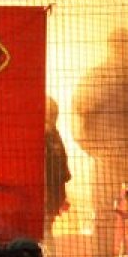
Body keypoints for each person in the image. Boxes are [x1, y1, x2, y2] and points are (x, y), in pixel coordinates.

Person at [71, 28, 128, 257]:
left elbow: (79, 117)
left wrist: (95, 149)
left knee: (121, 216)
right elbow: (79, 116)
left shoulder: (96, 78)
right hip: (120, 157)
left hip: (117, 157)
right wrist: (96, 149)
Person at [44, 98, 70, 236]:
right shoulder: (52, 135)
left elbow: (61, 165)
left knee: (46, 229)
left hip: (50, 194)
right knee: (46, 230)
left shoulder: (53, 135)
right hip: (48, 194)